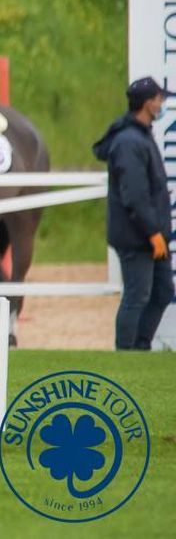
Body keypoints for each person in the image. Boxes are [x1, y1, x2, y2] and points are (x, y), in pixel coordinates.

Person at [94, 77, 174, 350]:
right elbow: (135, 195)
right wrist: (152, 232)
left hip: (150, 234)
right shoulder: (129, 141)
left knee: (163, 292)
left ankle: (139, 348)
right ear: (147, 103)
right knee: (136, 297)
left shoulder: (141, 134)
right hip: (137, 235)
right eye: (159, 98)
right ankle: (126, 353)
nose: (162, 103)